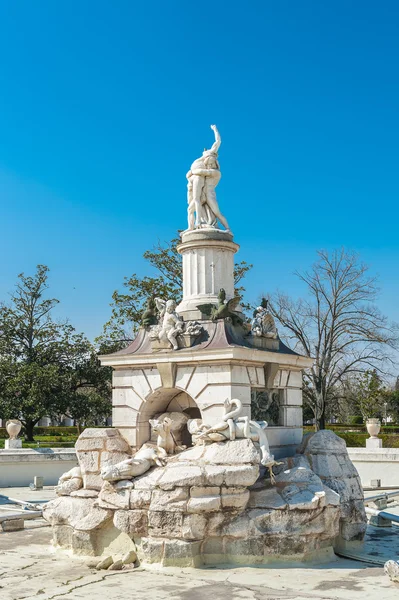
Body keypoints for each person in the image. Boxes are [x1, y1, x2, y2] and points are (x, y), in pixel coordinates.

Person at [186, 125, 230, 231]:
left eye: (211, 161)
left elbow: (218, 141)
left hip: (209, 195)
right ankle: (191, 227)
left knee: (217, 212)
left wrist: (215, 130)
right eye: (208, 162)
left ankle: (228, 229)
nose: (209, 163)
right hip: (202, 193)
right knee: (190, 210)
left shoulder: (215, 172)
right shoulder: (202, 161)